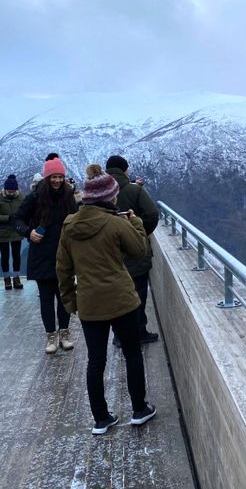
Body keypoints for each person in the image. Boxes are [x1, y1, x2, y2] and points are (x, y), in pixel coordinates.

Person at [57, 164, 156, 435]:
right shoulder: (115, 223)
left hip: (90, 304)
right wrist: (133, 221)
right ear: (107, 198)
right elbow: (139, 250)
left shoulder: (69, 227)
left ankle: (101, 419)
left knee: (95, 361)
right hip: (122, 301)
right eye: (113, 196)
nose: (116, 199)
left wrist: (71, 302)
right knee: (132, 353)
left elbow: (62, 269)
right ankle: (139, 410)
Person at [13, 157, 77, 353]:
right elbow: (18, 218)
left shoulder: (68, 196)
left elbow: (76, 218)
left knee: (65, 297)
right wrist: (28, 232)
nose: (57, 180)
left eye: (60, 177)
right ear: (47, 177)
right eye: (53, 177)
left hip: (64, 254)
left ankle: (64, 333)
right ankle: (51, 336)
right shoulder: (35, 197)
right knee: (47, 299)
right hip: (42, 254)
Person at [105, 155, 159, 344]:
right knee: (138, 293)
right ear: (125, 170)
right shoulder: (134, 190)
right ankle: (139, 332)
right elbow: (152, 214)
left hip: (109, 253)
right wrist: (140, 233)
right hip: (136, 253)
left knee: (115, 295)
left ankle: (119, 336)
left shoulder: (100, 192)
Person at [0, 174, 25, 290]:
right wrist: (7, 218)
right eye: (9, 191)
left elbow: (25, 212)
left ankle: (16, 278)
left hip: (16, 231)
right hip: (2, 232)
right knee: (4, 256)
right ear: (5, 190)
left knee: (16, 256)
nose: (11, 193)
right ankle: (6, 280)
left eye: (13, 191)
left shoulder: (21, 198)